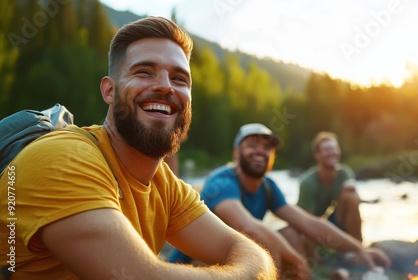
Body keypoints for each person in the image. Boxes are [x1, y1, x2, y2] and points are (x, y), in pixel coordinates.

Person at [0, 17, 276, 279]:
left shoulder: (164, 185)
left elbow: (253, 255)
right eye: (144, 72)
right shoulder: (63, 160)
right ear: (109, 91)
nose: (166, 87)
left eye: (180, 79)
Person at [168, 123, 391, 279]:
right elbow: (247, 227)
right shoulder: (222, 181)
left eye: (266, 147)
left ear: (272, 157)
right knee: (260, 242)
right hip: (192, 267)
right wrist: (296, 259)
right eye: (252, 144)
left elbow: (309, 223)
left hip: (233, 262)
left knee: (291, 233)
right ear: (236, 153)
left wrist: (360, 249)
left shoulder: (267, 187)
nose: (260, 151)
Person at [297, 131, 364, 247]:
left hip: (333, 221)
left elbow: (351, 203)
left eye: (334, 149)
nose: (332, 153)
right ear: (317, 155)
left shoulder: (344, 173)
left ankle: (358, 247)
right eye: (327, 150)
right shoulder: (307, 182)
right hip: (312, 225)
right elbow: (307, 222)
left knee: (351, 196)